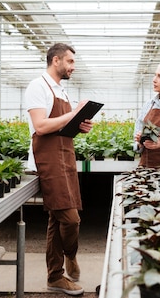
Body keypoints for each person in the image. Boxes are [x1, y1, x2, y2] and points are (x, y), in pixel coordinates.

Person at [25, 43, 93, 296]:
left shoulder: (61, 91)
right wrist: (73, 113)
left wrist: (79, 124)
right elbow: (41, 126)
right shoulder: (38, 87)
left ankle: (55, 276)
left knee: (57, 218)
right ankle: (70, 255)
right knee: (70, 218)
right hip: (48, 159)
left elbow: (62, 126)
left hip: (66, 156)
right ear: (56, 61)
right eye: (70, 62)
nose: (73, 67)